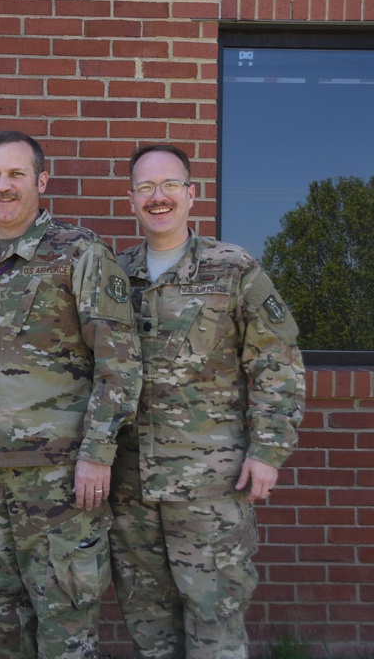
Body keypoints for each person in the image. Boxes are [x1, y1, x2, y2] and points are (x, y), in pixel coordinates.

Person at [0, 130, 142, 659]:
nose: (3, 186)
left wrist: (98, 455)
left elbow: (119, 363)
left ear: (41, 181)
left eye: (16, 174)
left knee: (64, 630)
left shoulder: (80, 254)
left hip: (60, 482)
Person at [108, 144, 305, 659]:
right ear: (130, 200)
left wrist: (268, 450)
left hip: (210, 484)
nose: (158, 197)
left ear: (191, 194)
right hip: (130, 485)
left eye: (170, 184)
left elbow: (276, 361)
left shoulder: (233, 268)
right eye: (145, 187)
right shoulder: (111, 275)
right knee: (148, 624)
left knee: (214, 617)